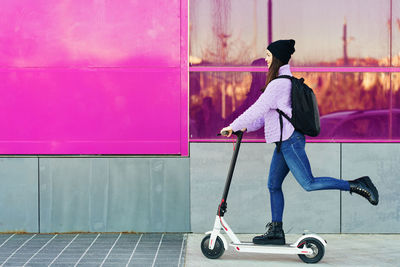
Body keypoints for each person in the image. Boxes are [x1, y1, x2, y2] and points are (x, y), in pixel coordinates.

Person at [220, 39, 379, 246]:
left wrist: (232, 125)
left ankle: (356, 184)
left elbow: (256, 109)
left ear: (277, 58)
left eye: (268, 56)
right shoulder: (279, 82)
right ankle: (276, 230)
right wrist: (243, 128)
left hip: (290, 142)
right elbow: (262, 117)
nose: (266, 59)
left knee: (308, 183)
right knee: (273, 185)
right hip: (283, 143)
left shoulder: (278, 84)